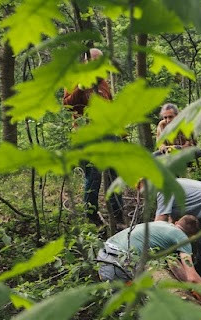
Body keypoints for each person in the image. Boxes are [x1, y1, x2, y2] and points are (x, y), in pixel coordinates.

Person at [61, 48, 123, 227]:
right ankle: (91, 215)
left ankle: (118, 215)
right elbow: (67, 105)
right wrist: (81, 87)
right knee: (93, 174)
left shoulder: (103, 82)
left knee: (113, 172)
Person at [96, 215, 201, 295]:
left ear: (177, 223)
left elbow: (175, 265)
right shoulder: (182, 238)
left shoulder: (161, 224)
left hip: (102, 255)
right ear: (192, 237)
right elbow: (192, 277)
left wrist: (188, 288)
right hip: (119, 262)